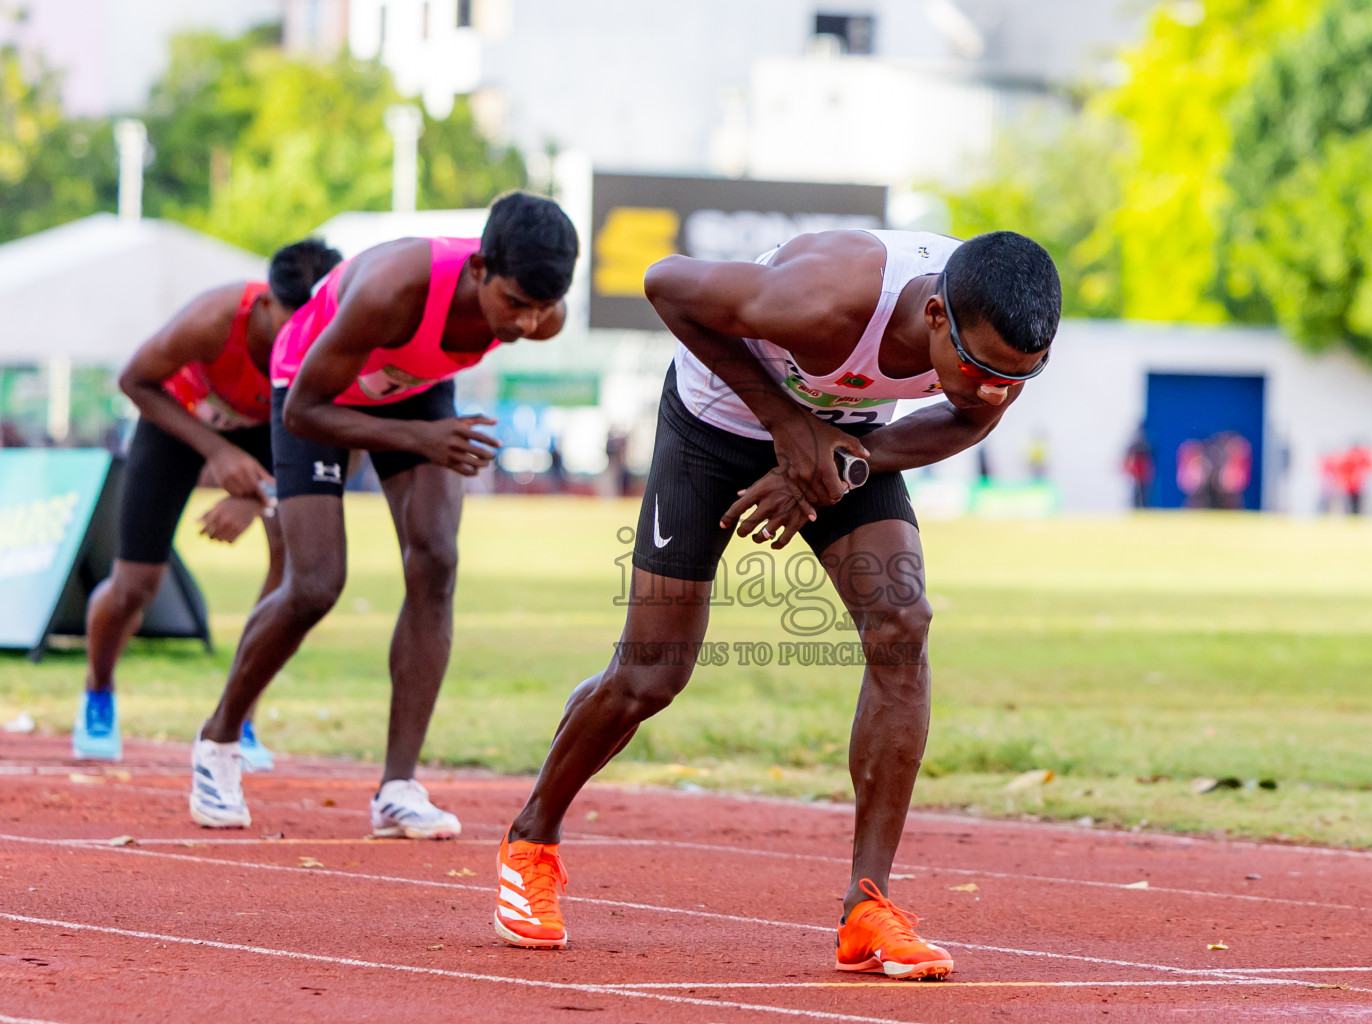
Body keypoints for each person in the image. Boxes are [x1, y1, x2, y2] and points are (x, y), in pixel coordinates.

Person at [493, 229, 1059, 980]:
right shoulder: (826, 299)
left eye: (1019, 378)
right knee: (650, 676)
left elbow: (970, 419)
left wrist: (829, 464)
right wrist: (785, 424)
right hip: (714, 426)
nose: (998, 390)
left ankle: (868, 908)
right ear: (932, 316)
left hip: (843, 435)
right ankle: (531, 840)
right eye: (984, 368)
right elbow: (664, 283)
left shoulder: (997, 340)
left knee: (902, 623)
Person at [187, 191, 577, 834]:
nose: (527, 326)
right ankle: (218, 742)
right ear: (478, 268)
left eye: (543, 310)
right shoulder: (392, 288)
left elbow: (518, 320)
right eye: (515, 305)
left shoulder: (541, 312)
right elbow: (301, 412)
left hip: (412, 386)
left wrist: (424, 428)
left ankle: (398, 788)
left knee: (437, 560)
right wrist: (425, 440)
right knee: (314, 585)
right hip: (315, 388)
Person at [72, 240, 342, 764]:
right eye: (291, 327)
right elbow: (133, 379)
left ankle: (239, 718)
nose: (302, 343)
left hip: (273, 429)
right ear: (266, 304)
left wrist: (255, 498)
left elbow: (340, 449)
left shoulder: (340, 336)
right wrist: (217, 453)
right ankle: (98, 691)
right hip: (176, 420)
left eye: (315, 331)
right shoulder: (214, 319)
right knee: (135, 584)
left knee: (293, 569)